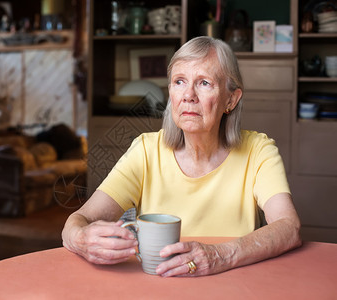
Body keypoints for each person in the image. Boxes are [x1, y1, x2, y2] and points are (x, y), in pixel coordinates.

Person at [61, 36, 302, 277]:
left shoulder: (258, 150)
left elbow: (289, 227)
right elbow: (80, 219)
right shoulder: (146, 150)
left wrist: (220, 255)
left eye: (204, 83)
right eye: (179, 81)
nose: (188, 95)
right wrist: (80, 238)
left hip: (236, 286)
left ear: (231, 99)